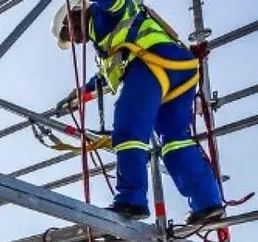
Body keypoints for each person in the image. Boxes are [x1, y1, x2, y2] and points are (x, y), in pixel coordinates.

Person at [51, 0, 224, 226]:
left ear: (74, 13)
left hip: (152, 64)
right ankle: (207, 202)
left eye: (68, 33)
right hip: (178, 69)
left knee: (128, 127)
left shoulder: (103, 12)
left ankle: (131, 199)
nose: (73, 40)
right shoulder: (104, 42)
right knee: (174, 141)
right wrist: (81, 94)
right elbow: (106, 77)